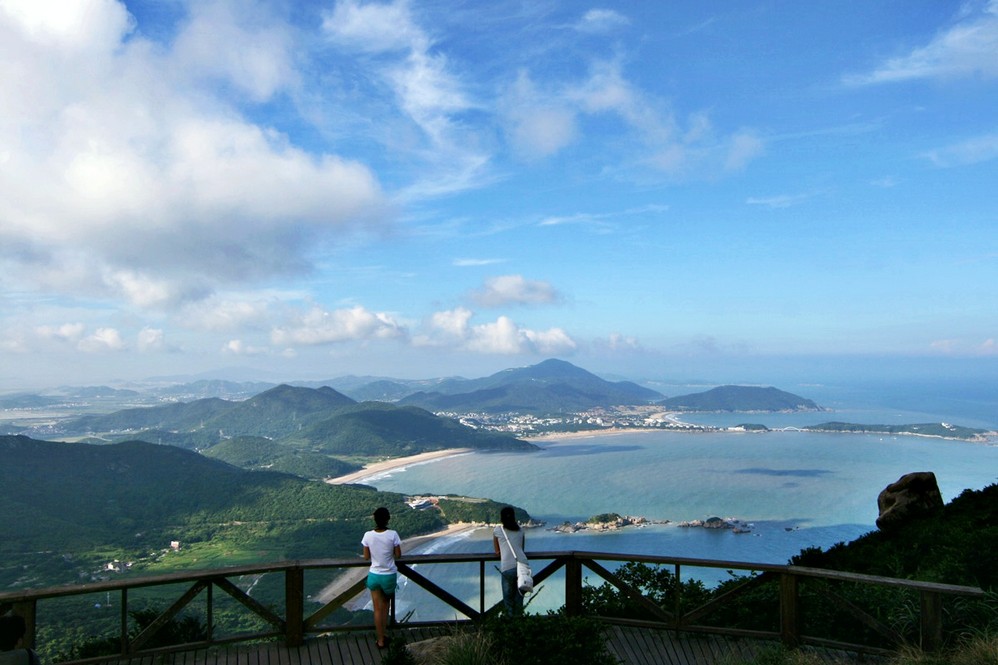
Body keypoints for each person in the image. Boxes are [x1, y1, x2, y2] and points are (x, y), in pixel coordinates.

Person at [361, 506, 402, 649]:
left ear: (375, 519)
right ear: (388, 519)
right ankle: (384, 635)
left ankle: (380, 640)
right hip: (388, 575)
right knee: (385, 607)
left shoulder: (367, 535)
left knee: (377, 609)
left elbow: (366, 557)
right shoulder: (393, 534)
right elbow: (398, 555)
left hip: (374, 575)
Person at [492, 505, 526, 616]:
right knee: (519, 599)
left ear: (502, 518)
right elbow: (521, 549)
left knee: (508, 601)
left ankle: (510, 628)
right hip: (522, 566)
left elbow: (497, 552)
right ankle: (520, 625)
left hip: (507, 568)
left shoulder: (497, 530)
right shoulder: (521, 530)